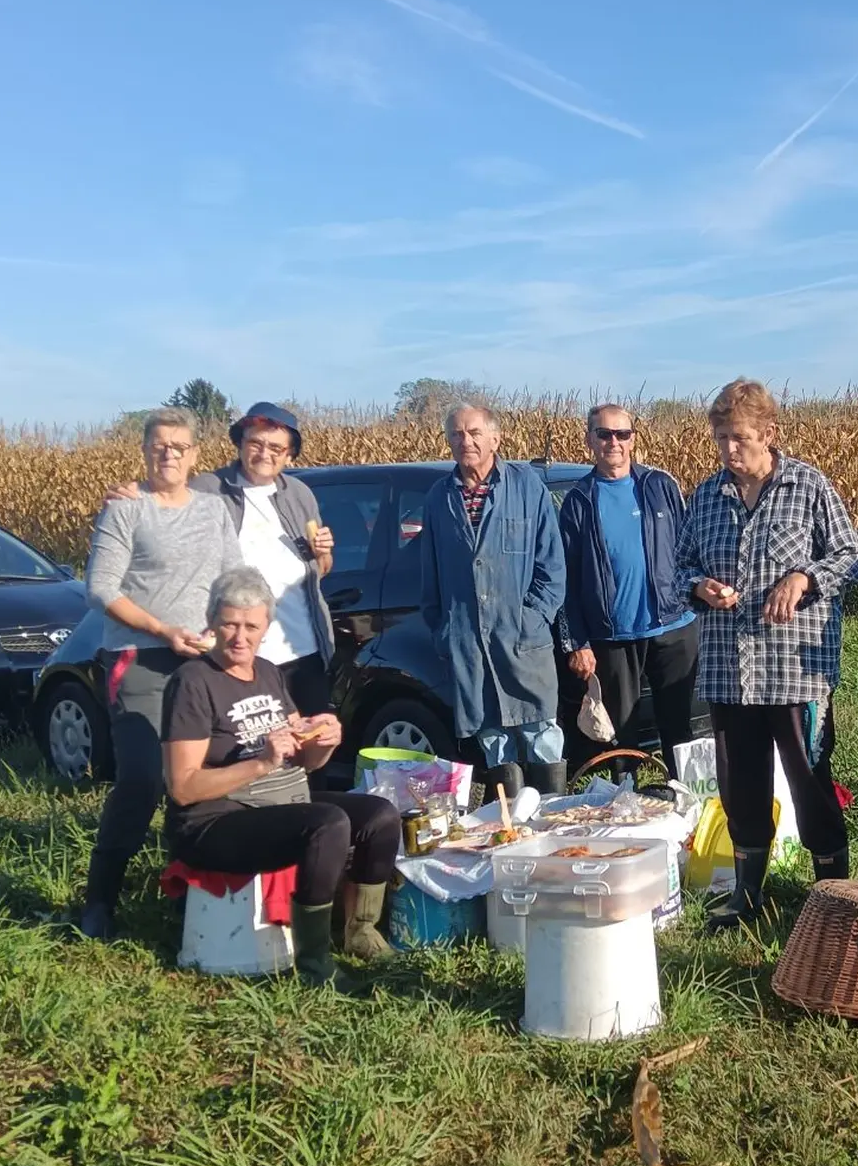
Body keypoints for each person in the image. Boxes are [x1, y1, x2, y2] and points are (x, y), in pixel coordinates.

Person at [674, 378, 858, 929]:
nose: (729, 451)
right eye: (721, 440)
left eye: (739, 439)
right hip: (728, 669)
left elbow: (850, 555)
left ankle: (834, 895)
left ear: (768, 433)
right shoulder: (707, 495)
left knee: (810, 781)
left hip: (797, 671)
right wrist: (699, 586)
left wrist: (804, 578)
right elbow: (681, 566)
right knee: (741, 786)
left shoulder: (808, 487)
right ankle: (748, 896)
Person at [162, 566, 401, 988]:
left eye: (251, 626)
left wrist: (325, 739)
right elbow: (182, 788)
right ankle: (314, 963)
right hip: (214, 820)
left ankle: (360, 930)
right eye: (229, 624)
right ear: (212, 622)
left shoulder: (270, 673)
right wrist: (260, 764)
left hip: (282, 800)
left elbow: (306, 763)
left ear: (266, 627)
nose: (240, 637)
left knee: (381, 814)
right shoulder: (193, 683)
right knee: (327, 824)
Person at [78, 408, 239, 939]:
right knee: (144, 778)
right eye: (159, 445)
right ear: (145, 451)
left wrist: (219, 633)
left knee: (195, 781)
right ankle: (100, 898)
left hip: (201, 659)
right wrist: (163, 630)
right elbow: (102, 588)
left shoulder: (214, 510)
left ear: (195, 455)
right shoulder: (126, 510)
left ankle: (186, 889)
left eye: (179, 446)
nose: (169, 453)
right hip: (140, 657)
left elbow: (233, 577)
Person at [104, 401, 337, 718]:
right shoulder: (209, 490)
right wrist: (128, 491)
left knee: (310, 746)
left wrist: (323, 554)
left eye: (276, 448)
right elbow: (164, 491)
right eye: (255, 443)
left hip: (302, 648)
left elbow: (318, 573)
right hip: (243, 652)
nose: (264, 454)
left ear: (290, 455)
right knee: (254, 753)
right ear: (240, 443)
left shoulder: (299, 494)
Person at [417, 403, 569, 795]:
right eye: (456, 434)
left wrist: (534, 615)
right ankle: (512, 828)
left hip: (522, 637)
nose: (465, 441)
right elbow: (429, 573)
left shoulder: (525, 485)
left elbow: (551, 561)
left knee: (541, 731)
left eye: (474, 432)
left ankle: (553, 823)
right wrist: (444, 630)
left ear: (495, 438)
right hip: (469, 641)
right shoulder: (439, 498)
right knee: (493, 736)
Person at [556, 404, 698, 773]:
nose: (614, 442)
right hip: (613, 637)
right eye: (604, 434)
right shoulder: (578, 502)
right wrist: (578, 643)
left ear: (633, 438)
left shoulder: (659, 486)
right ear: (590, 439)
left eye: (622, 434)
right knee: (620, 737)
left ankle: (685, 804)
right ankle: (626, 805)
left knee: (679, 731)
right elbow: (566, 581)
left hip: (673, 627)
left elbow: (689, 552)